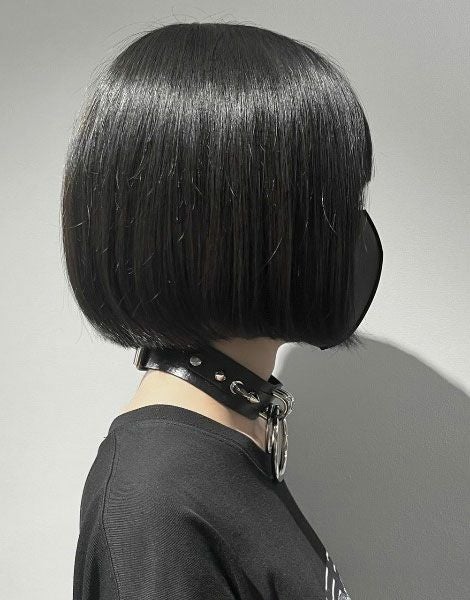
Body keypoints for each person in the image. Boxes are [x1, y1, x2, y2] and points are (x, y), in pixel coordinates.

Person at [62, 21, 382, 600]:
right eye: (335, 202)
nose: (351, 232)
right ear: (248, 226)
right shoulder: (155, 506)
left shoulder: (225, 443)